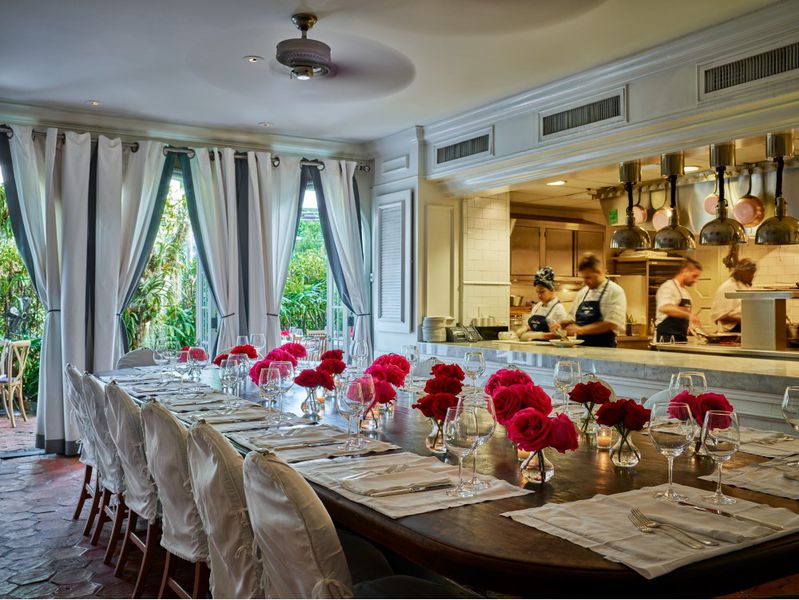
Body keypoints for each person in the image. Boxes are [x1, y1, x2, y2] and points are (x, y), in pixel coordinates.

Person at [558, 253, 627, 348]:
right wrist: (561, 324)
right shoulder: (582, 293)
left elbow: (612, 324)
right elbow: (572, 319)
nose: (585, 281)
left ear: (599, 272)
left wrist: (581, 330)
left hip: (604, 351)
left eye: (588, 277)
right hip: (581, 350)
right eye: (583, 277)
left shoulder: (614, 291)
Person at [655, 257, 703, 343]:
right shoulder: (668, 287)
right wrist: (688, 314)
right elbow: (665, 308)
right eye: (694, 276)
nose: (696, 280)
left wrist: (690, 329)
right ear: (685, 271)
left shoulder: (686, 292)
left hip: (681, 339)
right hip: (666, 339)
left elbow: (681, 318)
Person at [516, 266, 568, 340]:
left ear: (551, 290)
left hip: (550, 349)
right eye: (537, 292)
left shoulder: (558, 309)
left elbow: (562, 334)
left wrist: (539, 335)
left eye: (542, 292)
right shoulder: (537, 306)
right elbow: (532, 326)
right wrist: (525, 328)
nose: (539, 295)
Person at [711, 258, 757, 332]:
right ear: (743, 272)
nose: (752, 276)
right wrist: (745, 319)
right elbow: (720, 315)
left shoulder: (744, 285)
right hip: (734, 329)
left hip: (745, 326)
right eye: (751, 273)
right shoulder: (728, 287)